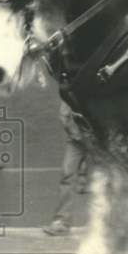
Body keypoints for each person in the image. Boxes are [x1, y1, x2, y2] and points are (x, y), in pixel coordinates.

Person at [44, 101, 88, 236]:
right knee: (67, 174)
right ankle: (61, 222)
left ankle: (107, 226)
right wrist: (75, 134)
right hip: (76, 141)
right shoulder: (71, 90)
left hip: (98, 141)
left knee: (104, 178)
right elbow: (63, 114)